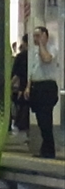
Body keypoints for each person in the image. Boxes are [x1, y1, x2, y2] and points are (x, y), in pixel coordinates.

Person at [24, 26, 59, 158]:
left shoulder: (51, 48)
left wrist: (42, 45)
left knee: (46, 120)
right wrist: (28, 86)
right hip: (36, 87)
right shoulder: (33, 52)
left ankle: (49, 151)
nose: (35, 39)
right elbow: (32, 71)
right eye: (34, 36)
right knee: (40, 120)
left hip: (47, 87)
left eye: (38, 35)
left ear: (45, 36)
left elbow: (46, 59)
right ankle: (45, 149)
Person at [10, 35, 29, 134]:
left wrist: (9, 87)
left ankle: (21, 127)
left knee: (21, 109)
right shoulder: (35, 56)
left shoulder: (20, 57)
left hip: (22, 89)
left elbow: (15, 75)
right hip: (34, 88)